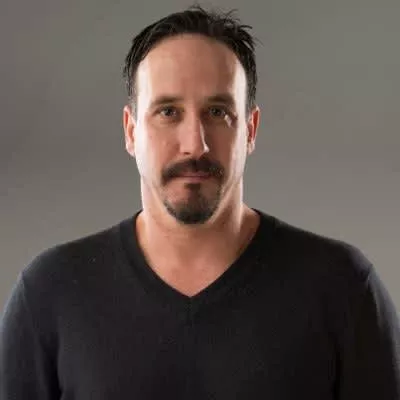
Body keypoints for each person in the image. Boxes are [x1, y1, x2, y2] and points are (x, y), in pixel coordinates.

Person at [1, 5, 399, 399]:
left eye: (218, 112)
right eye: (168, 111)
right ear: (130, 131)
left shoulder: (342, 288)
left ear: (250, 130)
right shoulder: (50, 294)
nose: (195, 144)